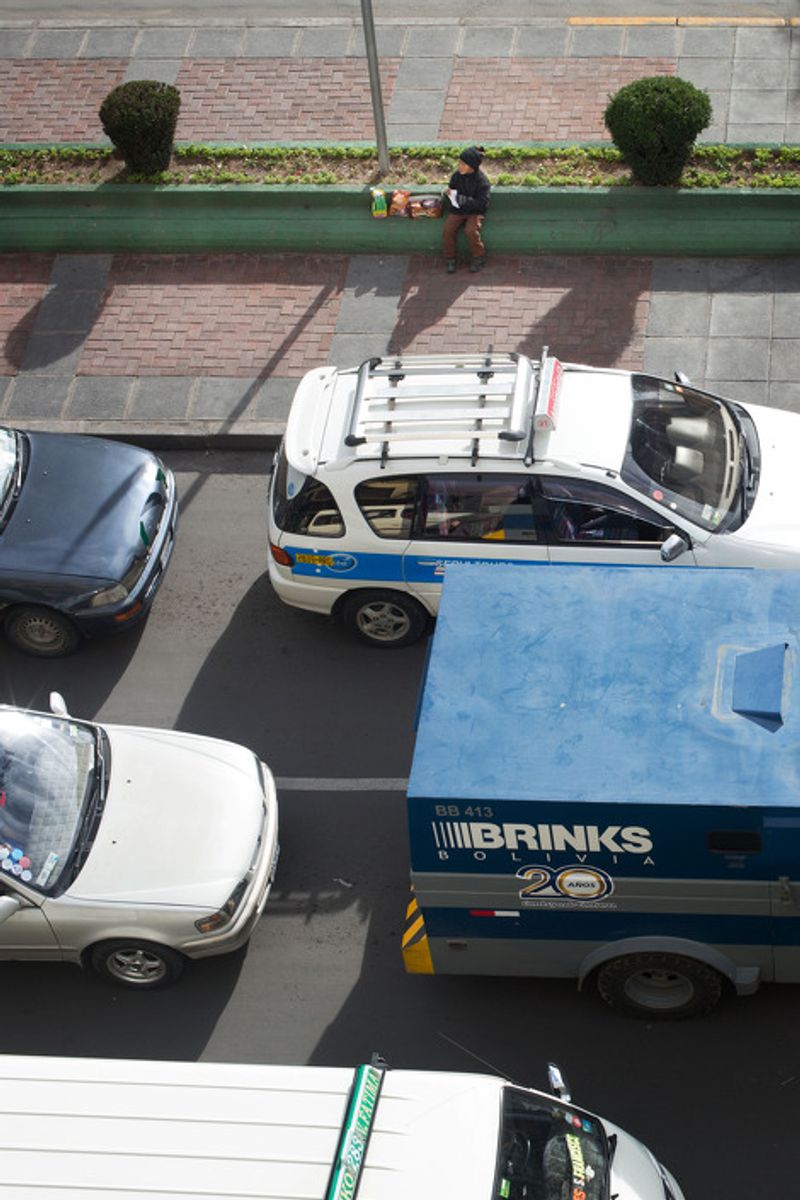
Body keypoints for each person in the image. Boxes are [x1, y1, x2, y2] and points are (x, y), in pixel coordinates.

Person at [442, 145, 490, 274]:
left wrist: (464, 200)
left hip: (474, 212)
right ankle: (450, 258)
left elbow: (483, 203)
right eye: (459, 163)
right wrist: (448, 195)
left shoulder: (482, 182)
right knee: (448, 230)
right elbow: (452, 190)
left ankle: (478, 257)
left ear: (472, 167)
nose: (460, 166)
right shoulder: (456, 176)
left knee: (470, 231)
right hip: (458, 210)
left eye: (464, 164)